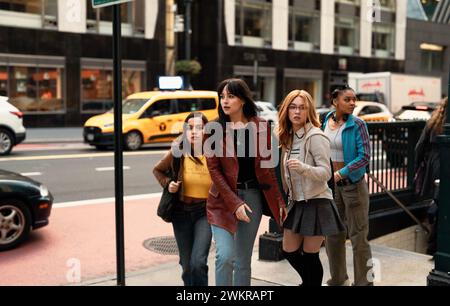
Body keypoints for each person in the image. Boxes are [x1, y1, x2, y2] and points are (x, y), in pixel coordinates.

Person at [205, 78, 287, 286]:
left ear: (242, 99)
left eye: (230, 96)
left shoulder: (260, 127)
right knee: (225, 256)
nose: (225, 101)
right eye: (222, 96)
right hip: (222, 201)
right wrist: (235, 203)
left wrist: (280, 201)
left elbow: (269, 170)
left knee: (242, 260)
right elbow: (214, 170)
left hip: (252, 198)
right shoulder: (214, 128)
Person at [278, 89, 344, 286]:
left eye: (302, 108)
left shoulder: (316, 136)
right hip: (297, 203)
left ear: (309, 111)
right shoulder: (288, 137)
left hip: (318, 202)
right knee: (288, 250)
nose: (297, 112)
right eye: (293, 107)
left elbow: (326, 173)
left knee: (310, 255)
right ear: (286, 111)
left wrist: (303, 168)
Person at [153, 112, 212, 286]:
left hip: (205, 212)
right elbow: (157, 170)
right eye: (190, 128)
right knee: (187, 266)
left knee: (198, 263)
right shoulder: (178, 151)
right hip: (181, 213)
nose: (194, 132)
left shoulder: (214, 153)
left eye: (199, 128)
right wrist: (168, 183)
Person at [323, 85, 373, 286]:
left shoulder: (358, 124)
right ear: (335, 101)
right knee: (333, 235)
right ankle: (338, 279)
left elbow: (364, 157)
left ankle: (364, 283)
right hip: (331, 187)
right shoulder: (326, 120)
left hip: (353, 186)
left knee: (359, 238)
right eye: (348, 99)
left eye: (355, 99)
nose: (353, 103)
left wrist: (340, 173)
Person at [414, 97, 448, 255]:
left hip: (434, 166)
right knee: (442, 205)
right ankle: (435, 246)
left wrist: (418, 167)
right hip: (443, 165)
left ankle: (433, 246)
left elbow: (419, 147)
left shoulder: (434, 122)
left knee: (438, 202)